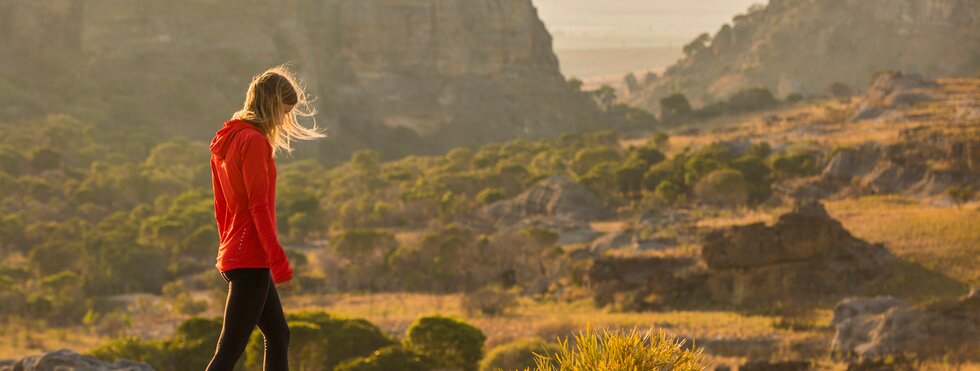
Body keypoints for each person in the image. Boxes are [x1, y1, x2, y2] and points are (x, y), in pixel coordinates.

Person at [206, 65, 326, 370]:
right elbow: (259, 206)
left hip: (236, 253)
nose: (285, 119)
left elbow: (222, 206)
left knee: (278, 334)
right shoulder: (254, 141)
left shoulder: (227, 138)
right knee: (229, 350)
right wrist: (278, 260)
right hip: (251, 256)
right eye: (285, 111)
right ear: (272, 104)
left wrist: (227, 250)